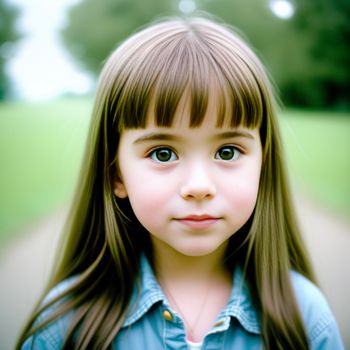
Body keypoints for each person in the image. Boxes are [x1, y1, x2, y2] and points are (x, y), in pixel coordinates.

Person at [17, 16, 344, 350]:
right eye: (162, 153)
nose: (199, 186)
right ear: (117, 174)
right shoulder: (65, 326)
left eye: (227, 151)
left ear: (263, 164)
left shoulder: (305, 321)